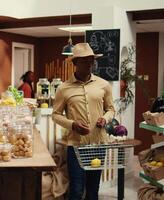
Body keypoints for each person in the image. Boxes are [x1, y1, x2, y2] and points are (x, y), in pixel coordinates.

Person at [52, 43, 115, 200]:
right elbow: (56, 115)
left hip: (98, 144)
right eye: (85, 61)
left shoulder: (104, 85)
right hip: (76, 145)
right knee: (76, 190)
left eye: (91, 60)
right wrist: (72, 125)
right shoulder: (63, 88)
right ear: (75, 63)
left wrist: (105, 118)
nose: (90, 64)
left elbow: (111, 109)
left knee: (93, 190)